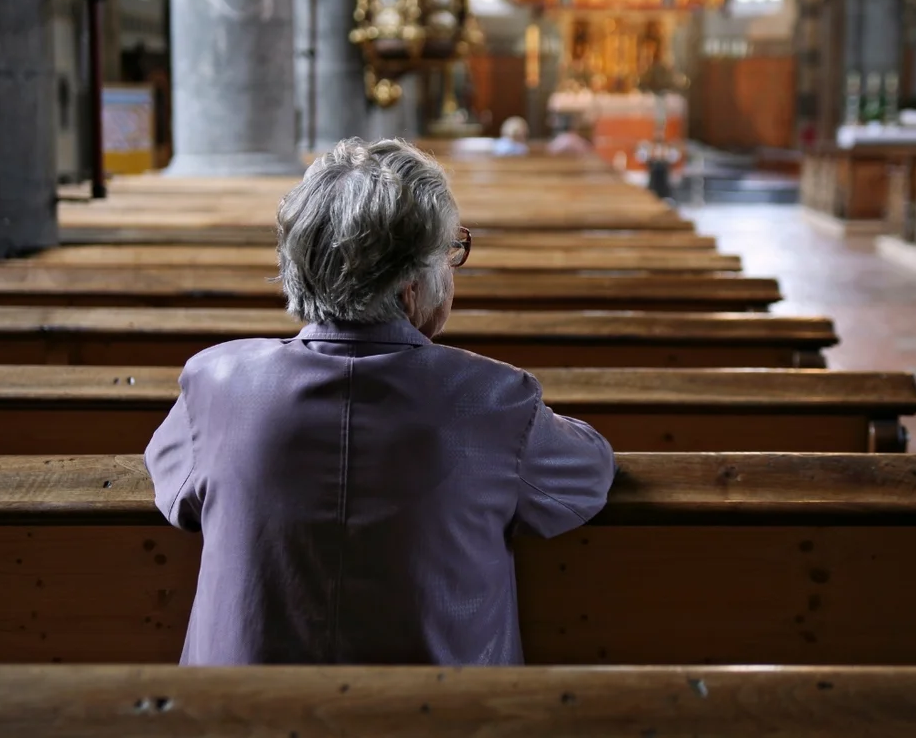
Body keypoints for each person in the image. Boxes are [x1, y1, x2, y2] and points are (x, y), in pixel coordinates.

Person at [145, 137, 615, 666]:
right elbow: (590, 472)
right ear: (413, 284)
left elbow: (172, 489)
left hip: (236, 716)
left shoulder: (215, 383)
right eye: (450, 253)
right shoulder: (494, 400)